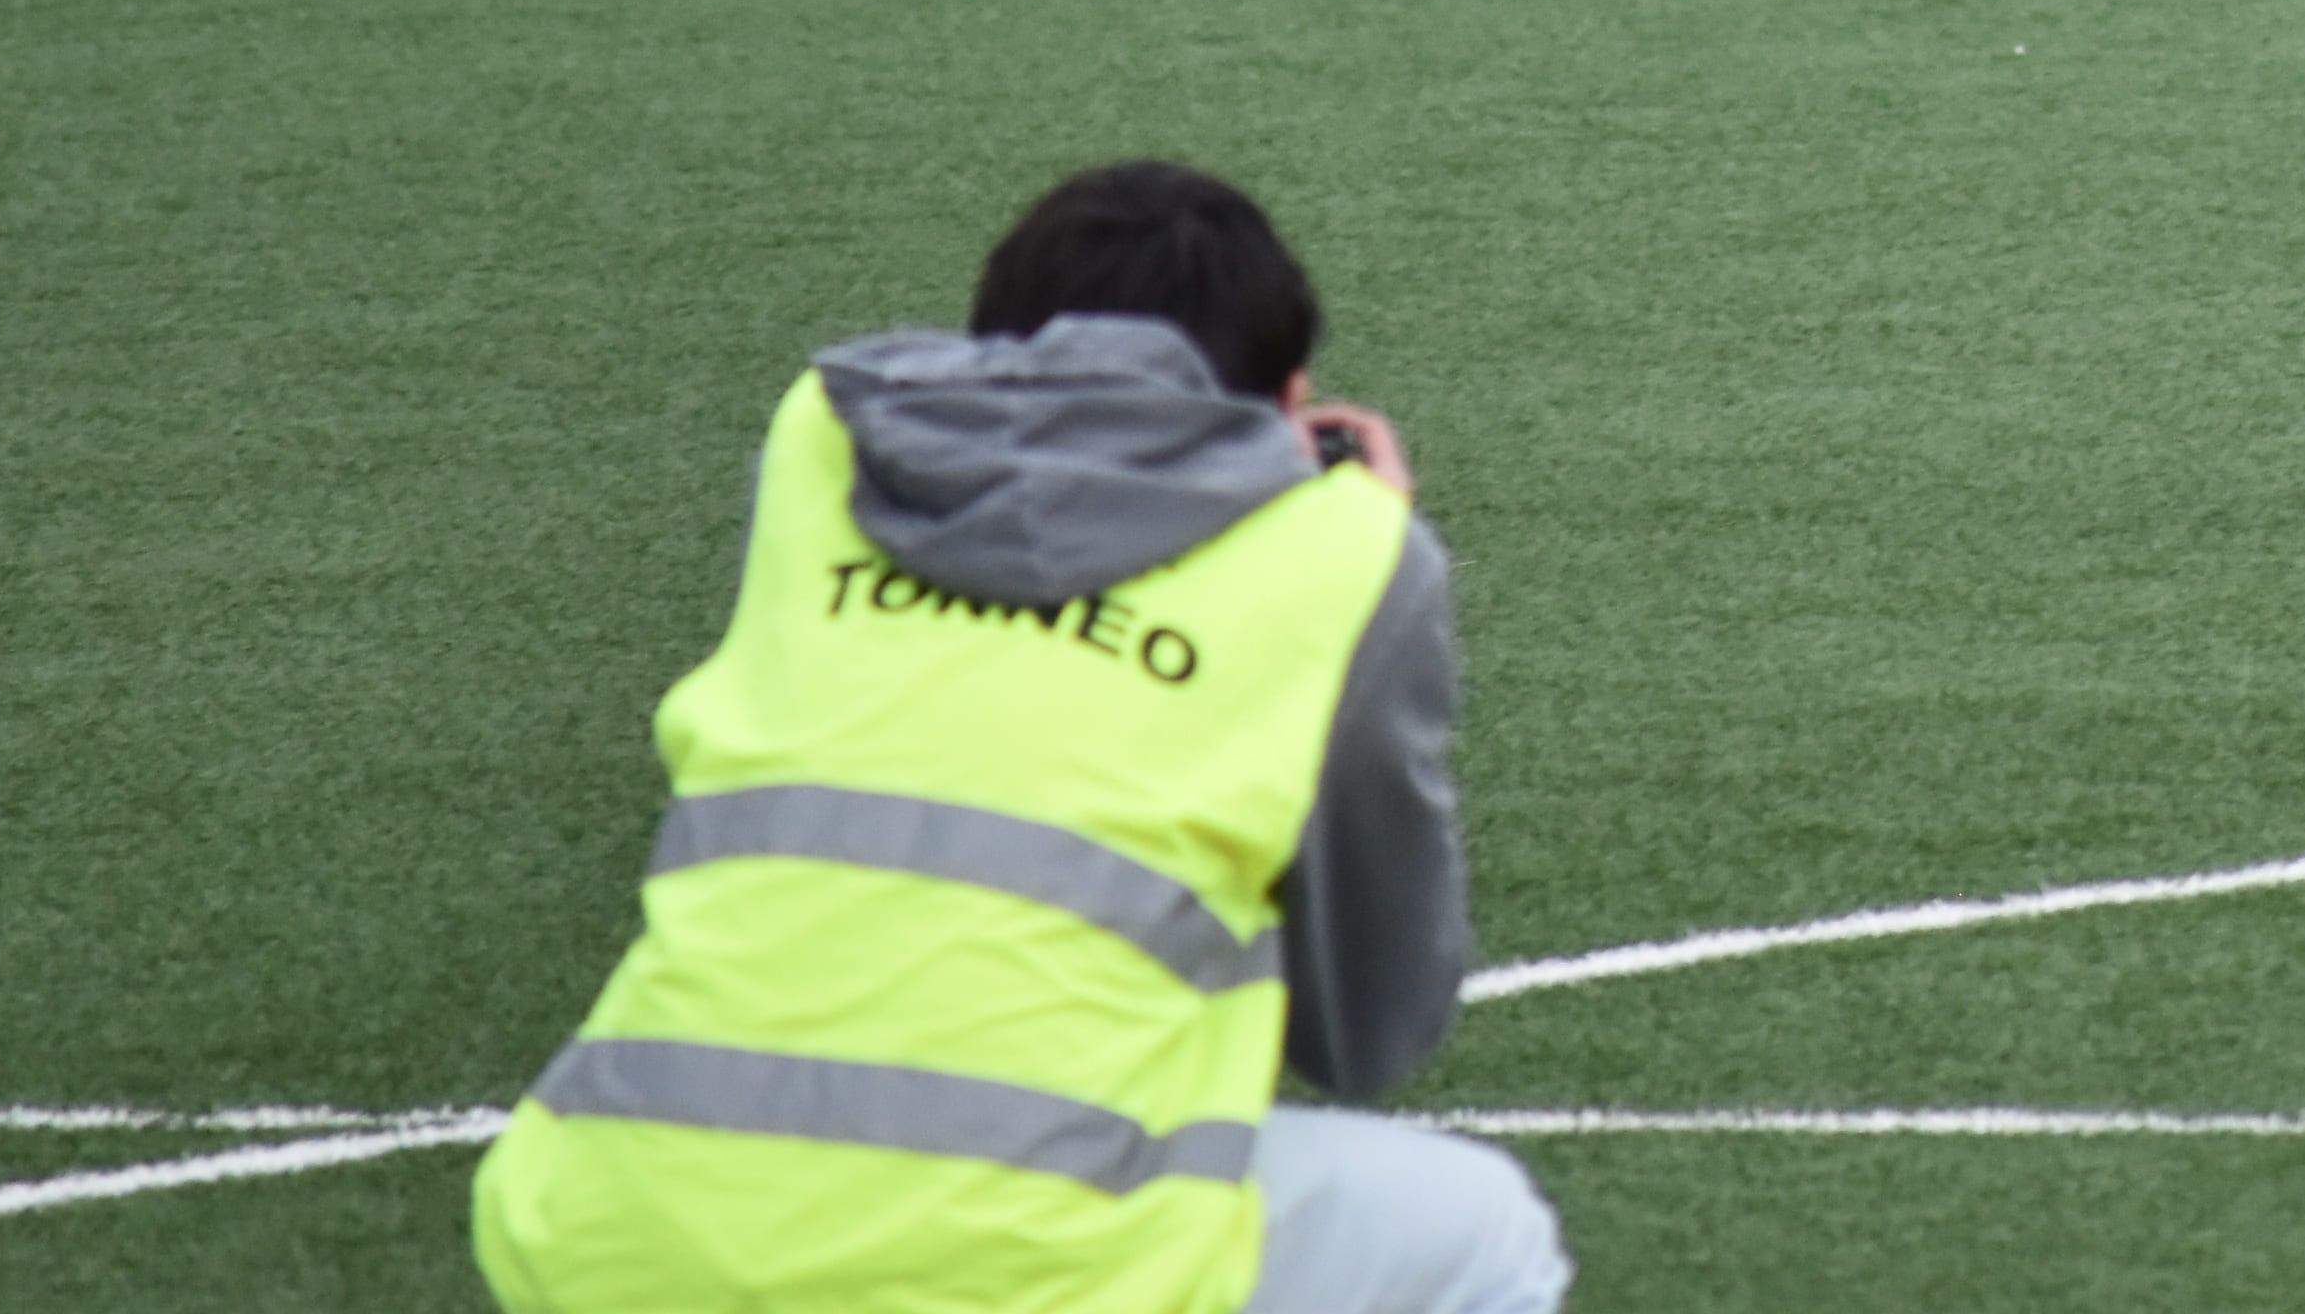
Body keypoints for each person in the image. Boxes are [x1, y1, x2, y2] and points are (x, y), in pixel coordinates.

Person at [474, 161, 1566, 1314]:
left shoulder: (824, 445)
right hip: (1019, 1279)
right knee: (1489, 1234)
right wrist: (1362, 542)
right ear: (1291, 404)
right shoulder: (1342, 556)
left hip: (592, 1242)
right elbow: (1371, 1035)